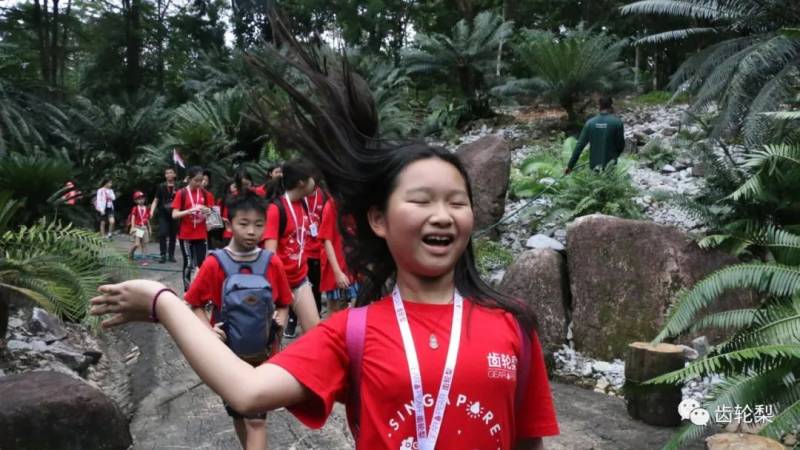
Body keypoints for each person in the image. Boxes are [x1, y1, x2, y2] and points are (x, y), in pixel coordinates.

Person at [89, 15, 558, 450]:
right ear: (378, 220)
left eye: (457, 202)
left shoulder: (513, 323)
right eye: (421, 200)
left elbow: (528, 442)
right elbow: (248, 391)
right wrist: (164, 303)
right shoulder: (352, 332)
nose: (443, 215)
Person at [185, 191, 293, 450]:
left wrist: (279, 320)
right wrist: (209, 331)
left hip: (264, 354)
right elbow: (194, 303)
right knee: (238, 412)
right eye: (244, 224)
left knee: (256, 418)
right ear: (229, 223)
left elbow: (284, 302)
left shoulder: (272, 262)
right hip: (226, 354)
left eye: (259, 225)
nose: (252, 231)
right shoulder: (214, 263)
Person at [263, 160, 321, 338]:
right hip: (279, 282)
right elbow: (270, 255)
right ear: (302, 182)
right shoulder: (275, 209)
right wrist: (282, 288)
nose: (316, 182)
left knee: (315, 332)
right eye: (313, 178)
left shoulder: (302, 203)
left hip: (300, 279)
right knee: (274, 336)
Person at [172, 166, 215, 292]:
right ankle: (187, 291)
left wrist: (208, 211)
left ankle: (200, 291)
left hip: (201, 234)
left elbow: (212, 213)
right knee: (189, 263)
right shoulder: (182, 193)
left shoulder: (205, 194)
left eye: (201, 180)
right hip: (186, 235)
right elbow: (174, 214)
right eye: (196, 180)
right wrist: (189, 211)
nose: (199, 183)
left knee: (202, 264)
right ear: (189, 179)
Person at [565, 96, 626, 174]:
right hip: (610, 167)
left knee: (595, 181)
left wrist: (570, 166)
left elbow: (579, 146)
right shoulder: (617, 123)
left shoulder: (590, 123)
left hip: (594, 167)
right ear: (611, 106)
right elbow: (621, 146)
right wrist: (614, 156)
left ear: (599, 106)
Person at [319, 196, 357, 314]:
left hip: (354, 265)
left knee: (357, 306)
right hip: (336, 266)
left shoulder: (355, 202)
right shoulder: (331, 205)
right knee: (335, 310)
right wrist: (337, 272)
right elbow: (327, 240)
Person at [150, 168, 179, 264]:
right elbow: (156, 200)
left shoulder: (178, 186)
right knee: (162, 233)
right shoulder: (161, 186)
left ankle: (171, 254)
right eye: (167, 173)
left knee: (173, 235)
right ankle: (163, 254)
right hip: (163, 213)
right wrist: (151, 211)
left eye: (171, 172)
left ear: (174, 175)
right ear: (165, 175)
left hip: (174, 213)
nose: (169, 174)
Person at [127, 191, 152, 262]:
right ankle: (131, 253)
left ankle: (144, 258)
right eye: (139, 199)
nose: (141, 200)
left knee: (144, 243)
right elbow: (133, 217)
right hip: (138, 227)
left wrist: (150, 228)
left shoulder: (146, 208)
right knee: (137, 244)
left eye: (142, 198)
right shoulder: (135, 208)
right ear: (135, 201)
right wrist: (132, 227)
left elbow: (147, 219)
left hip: (144, 227)